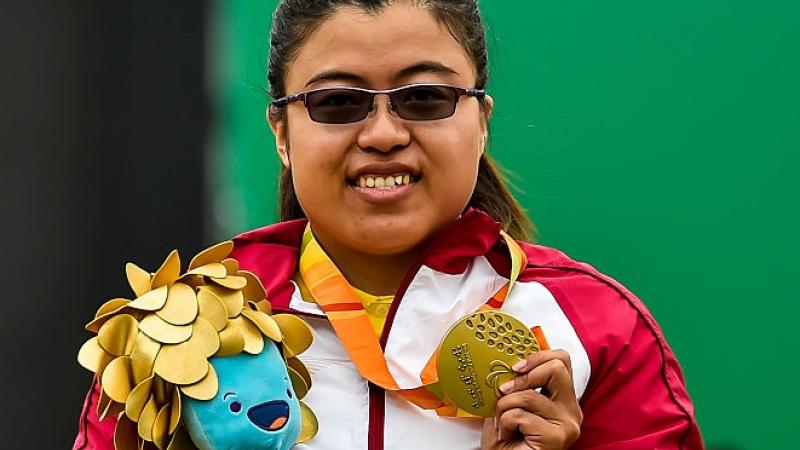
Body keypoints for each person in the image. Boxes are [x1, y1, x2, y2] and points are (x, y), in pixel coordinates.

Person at [73, 1, 703, 449]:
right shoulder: (182, 330)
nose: (382, 134)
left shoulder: (598, 330)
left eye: (424, 97)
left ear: (481, 120)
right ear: (282, 133)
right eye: (337, 102)